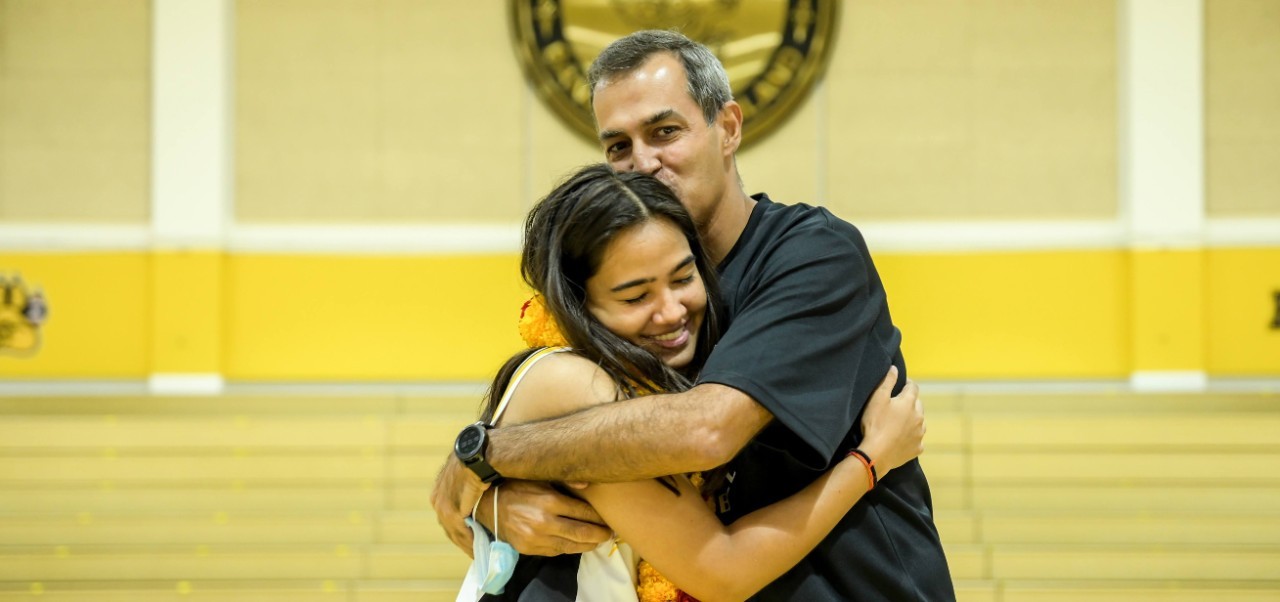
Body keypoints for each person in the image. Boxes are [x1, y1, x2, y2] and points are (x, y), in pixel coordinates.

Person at [435, 30, 954, 600]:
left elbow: (706, 431)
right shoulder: (594, 349)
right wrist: (494, 490)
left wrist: (485, 457)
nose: (642, 163)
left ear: (728, 127)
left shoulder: (813, 255)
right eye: (618, 146)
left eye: (665, 131)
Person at [456, 163, 925, 601]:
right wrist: (871, 459)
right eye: (636, 296)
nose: (672, 312)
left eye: (683, 278)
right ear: (575, 304)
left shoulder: (652, 373)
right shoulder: (572, 382)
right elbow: (724, 569)